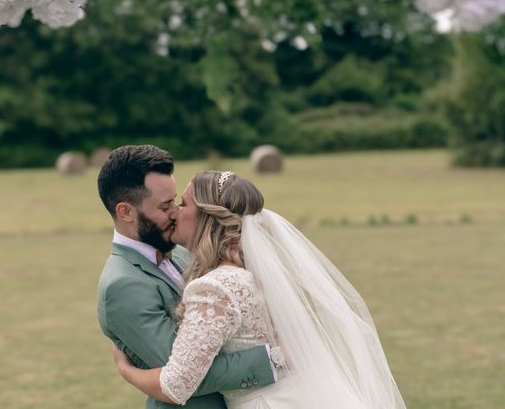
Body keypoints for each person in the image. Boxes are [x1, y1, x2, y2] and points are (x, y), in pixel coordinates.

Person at [113, 170, 406, 409]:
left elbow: (177, 385)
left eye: (184, 204)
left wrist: (127, 371)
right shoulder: (257, 273)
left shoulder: (215, 287)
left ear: (208, 218)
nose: (175, 212)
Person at [96, 146, 277, 409]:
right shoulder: (121, 286)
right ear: (125, 212)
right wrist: (271, 360)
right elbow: (187, 373)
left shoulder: (184, 249)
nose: (176, 213)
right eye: (165, 205)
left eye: (176, 201)